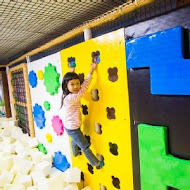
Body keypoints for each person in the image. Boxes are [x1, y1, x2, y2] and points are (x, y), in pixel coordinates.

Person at [60, 63, 104, 169]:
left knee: (75, 139)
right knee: (85, 146)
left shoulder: (65, 94)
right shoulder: (72, 97)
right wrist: (91, 70)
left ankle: (75, 153)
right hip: (73, 127)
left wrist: (72, 71)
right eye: (72, 84)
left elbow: (74, 84)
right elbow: (84, 87)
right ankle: (96, 164)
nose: (76, 86)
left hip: (69, 126)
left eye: (77, 83)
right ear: (66, 85)